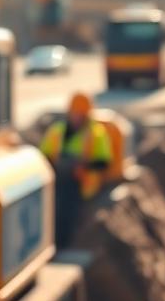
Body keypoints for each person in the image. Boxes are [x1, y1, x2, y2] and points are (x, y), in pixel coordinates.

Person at [39, 92, 113, 247]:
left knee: (67, 208)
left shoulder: (96, 133)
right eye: (75, 114)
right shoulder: (57, 131)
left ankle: (62, 242)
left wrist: (84, 167)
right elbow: (44, 156)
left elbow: (104, 162)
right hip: (58, 179)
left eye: (81, 115)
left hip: (83, 183)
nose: (77, 118)